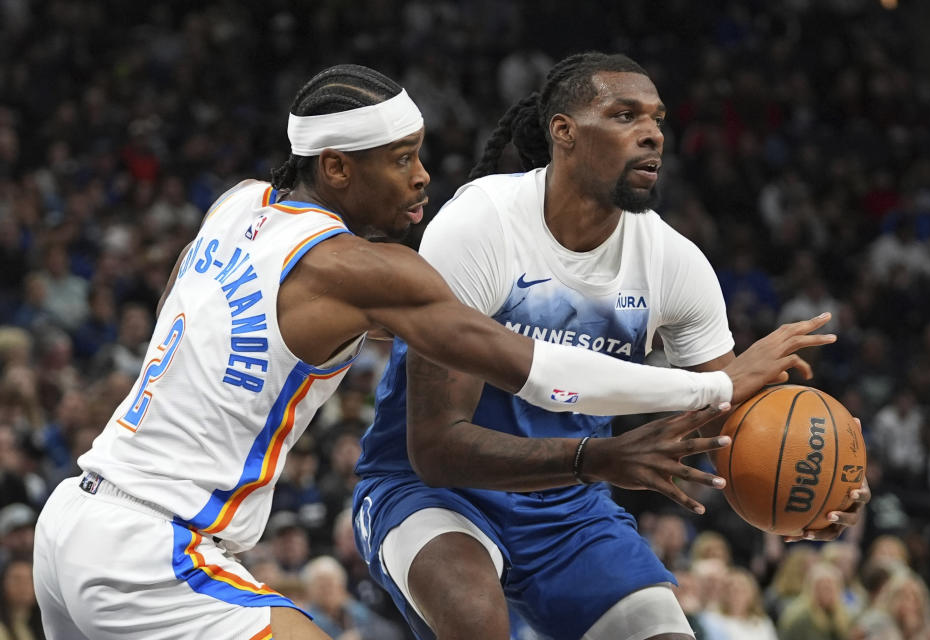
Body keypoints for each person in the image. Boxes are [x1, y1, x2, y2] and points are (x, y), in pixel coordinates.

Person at [31, 63, 821, 640]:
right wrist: (710, 388)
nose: (423, 178)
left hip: (73, 518)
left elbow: (196, 321)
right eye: (401, 160)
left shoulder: (239, 206)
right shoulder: (367, 269)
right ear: (337, 168)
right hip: (158, 548)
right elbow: (536, 371)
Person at [352, 52, 870, 640]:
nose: (651, 133)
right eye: (625, 115)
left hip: (568, 507)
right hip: (431, 491)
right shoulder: (480, 224)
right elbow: (436, 447)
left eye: (657, 119)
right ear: (564, 132)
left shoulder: (674, 264)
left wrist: (817, 481)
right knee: (475, 620)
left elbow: (732, 426)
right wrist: (593, 460)